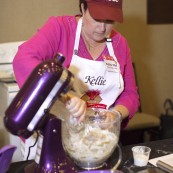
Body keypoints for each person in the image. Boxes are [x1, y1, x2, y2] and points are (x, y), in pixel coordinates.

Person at [13, 0, 139, 129]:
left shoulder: (120, 44)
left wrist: (115, 114)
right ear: (83, 8)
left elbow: (130, 94)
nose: (102, 28)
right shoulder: (60, 28)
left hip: (99, 136)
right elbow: (22, 60)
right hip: (52, 132)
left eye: (110, 21)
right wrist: (65, 96)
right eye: (97, 18)